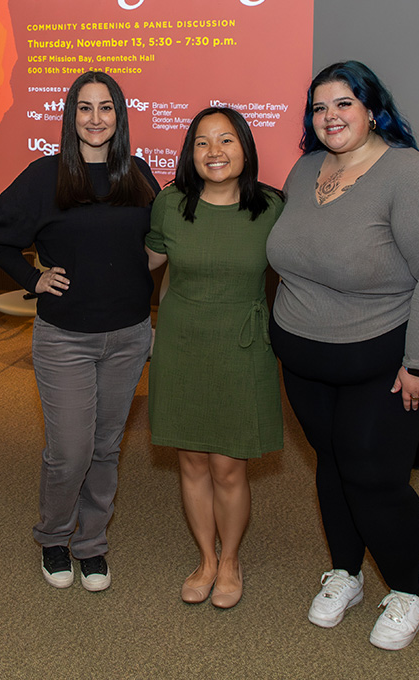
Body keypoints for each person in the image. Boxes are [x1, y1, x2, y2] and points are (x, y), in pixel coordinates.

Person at [266, 61, 419, 649]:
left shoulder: (411, 173)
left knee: (374, 475)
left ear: (372, 109)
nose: (330, 117)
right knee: (332, 464)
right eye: (320, 107)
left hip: (383, 360)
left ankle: (406, 590)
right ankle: (346, 574)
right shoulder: (305, 171)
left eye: (344, 104)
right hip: (304, 358)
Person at [0, 71, 159, 593]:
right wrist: (33, 278)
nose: (96, 118)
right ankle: (54, 535)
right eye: (85, 108)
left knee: (104, 448)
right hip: (66, 340)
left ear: (119, 116)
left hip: (129, 335)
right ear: (70, 116)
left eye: (106, 108)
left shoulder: (140, 176)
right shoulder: (45, 176)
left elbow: (160, 241)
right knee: (70, 451)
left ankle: (92, 544)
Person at [145, 107, 284, 609]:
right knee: (191, 459)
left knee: (229, 466)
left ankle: (231, 561)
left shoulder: (271, 207)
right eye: (202, 142)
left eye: (226, 140)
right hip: (182, 343)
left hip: (241, 347)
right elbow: (149, 261)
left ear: (245, 148)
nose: (214, 152)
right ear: (190, 152)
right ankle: (206, 558)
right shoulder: (170, 204)